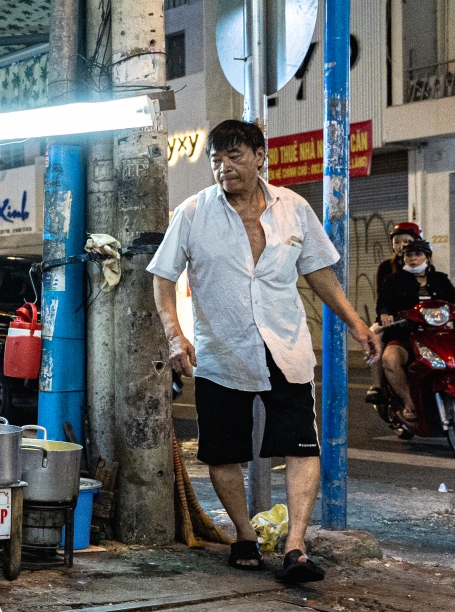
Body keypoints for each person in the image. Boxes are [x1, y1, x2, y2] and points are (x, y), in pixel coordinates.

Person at [151, 119, 379, 584]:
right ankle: (243, 536)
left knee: (301, 445)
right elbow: (162, 278)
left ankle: (295, 545)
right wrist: (175, 336)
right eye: (216, 159)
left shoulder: (293, 208)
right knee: (222, 452)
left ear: (260, 156)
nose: (224, 167)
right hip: (223, 349)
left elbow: (319, 273)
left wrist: (356, 323)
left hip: (286, 346)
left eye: (234, 156)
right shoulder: (193, 213)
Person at [375, 238, 455, 426]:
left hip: (438, 334)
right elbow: (383, 302)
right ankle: (409, 402)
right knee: (390, 360)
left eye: (418, 254)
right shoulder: (394, 280)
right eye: (408, 255)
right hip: (405, 335)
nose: (413, 258)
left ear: (427, 257)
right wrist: (386, 314)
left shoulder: (440, 279)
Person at [368, 222, 422, 402]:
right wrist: (385, 314)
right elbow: (382, 297)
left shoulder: (425, 266)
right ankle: (376, 386)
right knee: (373, 337)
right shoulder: (386, 268)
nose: (401, 246)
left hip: (419, 318)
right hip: (393, 319)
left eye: (406, 241)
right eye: (397, 242)